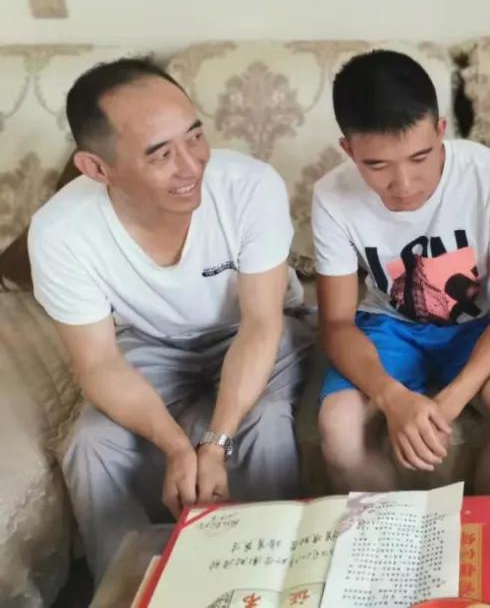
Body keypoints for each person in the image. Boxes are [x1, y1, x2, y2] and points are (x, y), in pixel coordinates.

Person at [28, 58, 311, 581]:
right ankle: (130, 588)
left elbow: (261, 324)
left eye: (195, 137)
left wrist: (215, 443)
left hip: (250, 329)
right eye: (161, 154)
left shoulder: (249, 186)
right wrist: (177, 446)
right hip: (151, 342)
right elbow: (98, 364)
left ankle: (265, 583)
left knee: (266, 423)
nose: (191, 166)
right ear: (97, 168)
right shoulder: (60, 232)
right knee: (91, 445)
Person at [314, 50, 490, 500]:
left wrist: (451, 400)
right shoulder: (332, 195)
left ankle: (483, 530)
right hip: (388, 327)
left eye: (420, 157)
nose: (404, 183)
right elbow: (336, 323)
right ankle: (394, 536)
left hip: (480, 326)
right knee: (338, 428)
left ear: (441, 131)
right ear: (349, 149)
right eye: (377, 165)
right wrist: (391, 397)